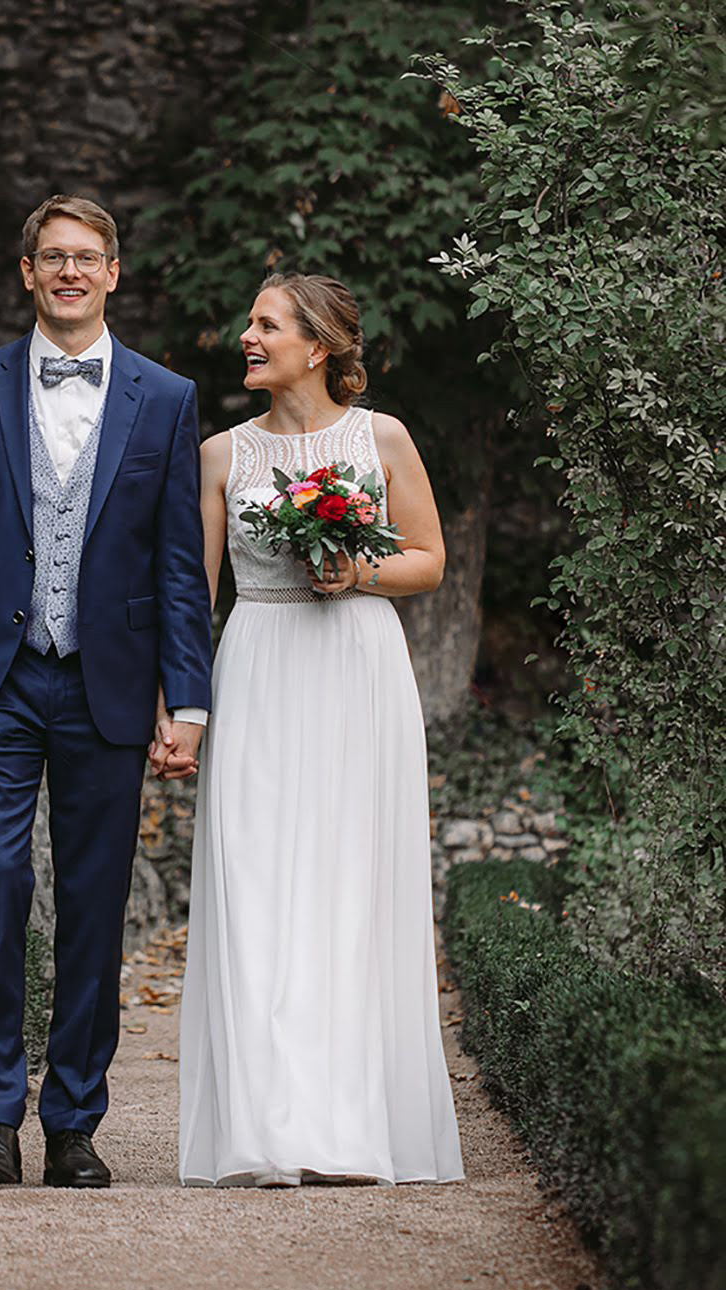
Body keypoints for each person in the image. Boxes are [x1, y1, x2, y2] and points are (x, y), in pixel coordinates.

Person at [0, 195, 212, 1189]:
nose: (70, 271)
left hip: (109, 686)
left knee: (92, 901)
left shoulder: (165, 398)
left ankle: (73, 1119)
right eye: (53, 257)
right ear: (27, 273)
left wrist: (191, 700)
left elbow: (177, 565)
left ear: (114, 272)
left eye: (87, 257)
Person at [169, 272, 464, 1187]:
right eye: (250, 321)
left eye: (266, 324)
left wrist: (357, 574)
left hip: (355, 669)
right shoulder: (221, 453)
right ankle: (265, 1128)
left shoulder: (381, 438)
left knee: (348, 886)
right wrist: (181, 709)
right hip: (256, 661)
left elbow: (429, 560)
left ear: (320, 345)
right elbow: (192, 593)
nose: (247, 336)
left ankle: (344, 1125)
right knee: (253, 884)